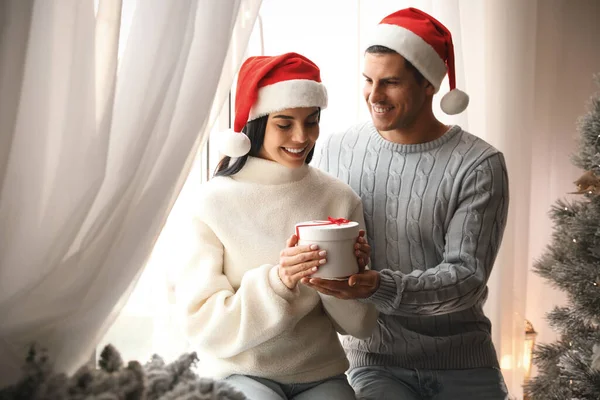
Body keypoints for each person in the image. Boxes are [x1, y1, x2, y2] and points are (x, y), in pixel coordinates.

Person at [306, 8, 510, 400]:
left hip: (462, 361)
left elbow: (467, 277)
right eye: (368, 80)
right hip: (373, 362)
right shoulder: (336, 149)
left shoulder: (479, 165)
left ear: (429, 85)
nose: (374, 95)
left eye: (391, 82)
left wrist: (380, 286)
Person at [175, 52, 378, 400]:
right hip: (239, 372)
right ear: (256, 125)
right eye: (284, 124)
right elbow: (202, 323)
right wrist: (278, 283)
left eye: (311, 121)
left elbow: (360, 326)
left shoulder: (338, 197)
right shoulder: (211, 202)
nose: (301, 137)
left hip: (321, 373)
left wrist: (348, 281)